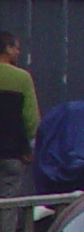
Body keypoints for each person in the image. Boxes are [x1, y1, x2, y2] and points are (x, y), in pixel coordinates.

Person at [0, 31, 37, 200]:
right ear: (7, 48)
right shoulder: (22, 78)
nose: (18, 52)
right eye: (16, 48)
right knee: (8, 205)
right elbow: (31, 119)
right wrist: (29, 146)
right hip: (11, 152)